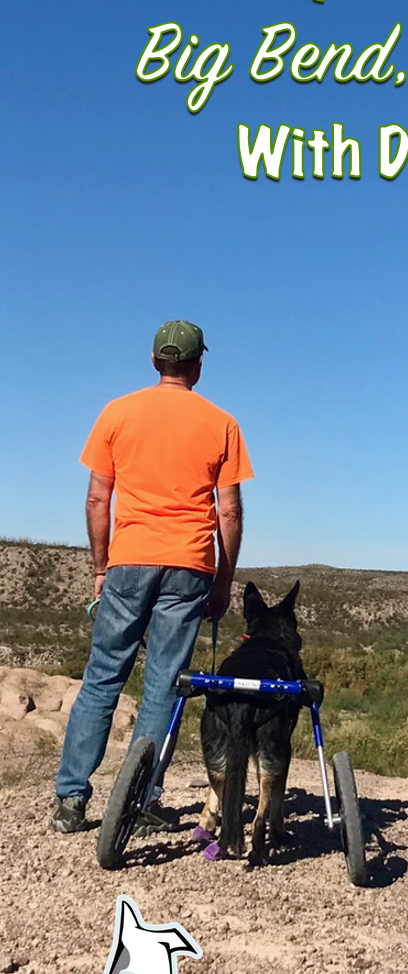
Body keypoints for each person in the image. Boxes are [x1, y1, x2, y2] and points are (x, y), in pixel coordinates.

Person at [51, 320, 253, 833]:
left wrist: (102, 567)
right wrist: (224, 580)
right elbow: (228, 512)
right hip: (189, 565)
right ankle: (140, 802)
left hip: (129, 559)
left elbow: (99, 498)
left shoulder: (117, 413)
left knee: (102, 678)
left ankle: (72, 800)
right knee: (164, 686)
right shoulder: (222, 423)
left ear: (154, 361)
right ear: (198, 366)